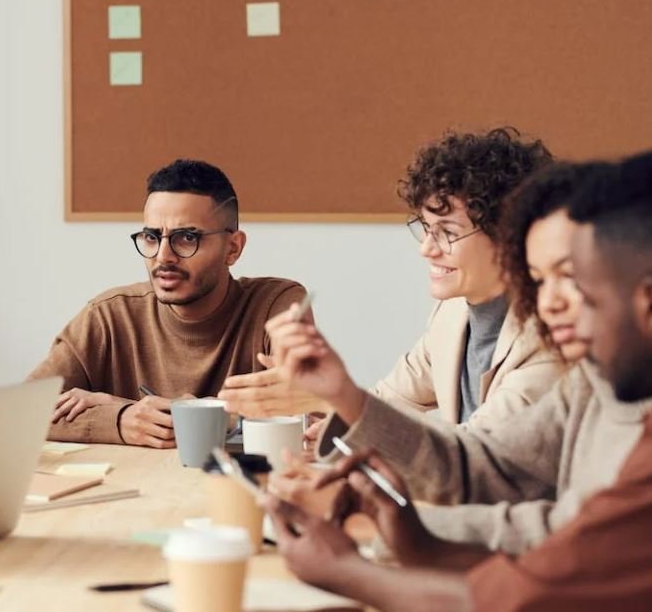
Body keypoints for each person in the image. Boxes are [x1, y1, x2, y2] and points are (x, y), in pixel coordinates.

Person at [265, 151, 652, 610]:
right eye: (538, 279)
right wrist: (342, 395)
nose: (550, 304)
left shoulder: (562, 353)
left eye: (575, 280)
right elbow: (486, 466)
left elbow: (547, 570)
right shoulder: (596, 375)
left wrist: (351, 565)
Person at [222, 128, 563, 432]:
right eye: (426, 229)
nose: (427, 250)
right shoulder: (452, 313)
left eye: (447, 233)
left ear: (510, 237)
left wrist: (335, 398)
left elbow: (477, 456)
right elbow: (391, 400)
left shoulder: (553, 335)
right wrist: (326, 418)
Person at [27, 159, 310, 447]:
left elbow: (306, 409)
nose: (163, 256)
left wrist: (123, 404)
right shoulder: (109, 316)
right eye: (151, 237)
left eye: (187, 238)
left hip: (239, 488)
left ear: (233, 248)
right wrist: (121, 419)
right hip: (136, 488)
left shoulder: (277, 306)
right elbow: (25, 412)